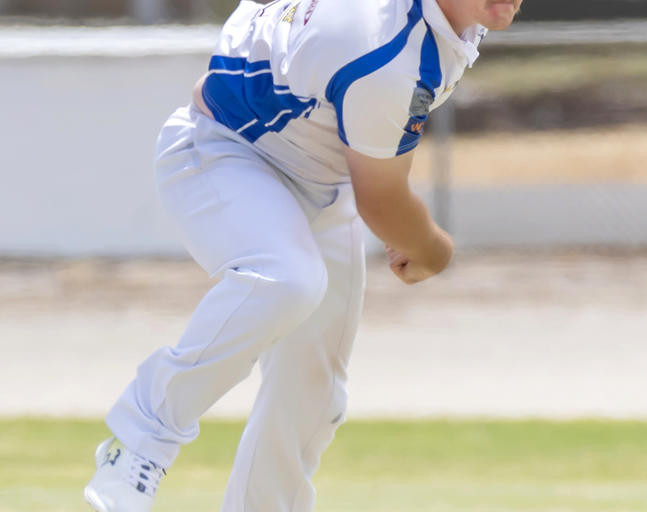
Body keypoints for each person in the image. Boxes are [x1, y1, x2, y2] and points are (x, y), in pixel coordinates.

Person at [84, 0, 521, 510]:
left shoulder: (445, 22)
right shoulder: (386, 49)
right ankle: (139, 440)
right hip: (225, 149)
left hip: (322, 181)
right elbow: (382, 201)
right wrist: (434, 249)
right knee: (287, 279)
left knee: (314, 393)